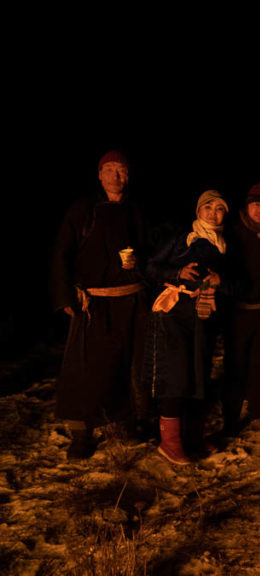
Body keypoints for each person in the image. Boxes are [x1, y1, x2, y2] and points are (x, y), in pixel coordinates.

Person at [51, 150, 148, 459]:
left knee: (127, 368)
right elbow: (61, 254)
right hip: (93, 303)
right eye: (110, 170)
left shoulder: (136, 210)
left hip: (131, 301)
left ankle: (125, 422)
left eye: (122, 170)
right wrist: (65, 296)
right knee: (85, 369)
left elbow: (152, 248)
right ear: (99, 175)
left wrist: (139, 261)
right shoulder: (84, 210)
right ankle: (81, 433)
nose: (116, 176)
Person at [146, 190, 229, 465]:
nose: (213, 213)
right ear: (198, 211)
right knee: (176, 375)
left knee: (198, 374)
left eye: (219, 209)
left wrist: (220, 278)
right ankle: (170, 443)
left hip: (202, 315)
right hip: (173, 314)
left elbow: (232, 277)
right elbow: (151, 267)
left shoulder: (224, 245)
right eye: (208, 207)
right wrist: (177, 273)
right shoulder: (181, 238)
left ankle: (192, 437)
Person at [222, 183, 260, 434]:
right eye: (256, 205)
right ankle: (230, 418)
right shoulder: (232, 233)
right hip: (238, 311)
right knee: (235, 366)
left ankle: (258, 413)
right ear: (247, 207)